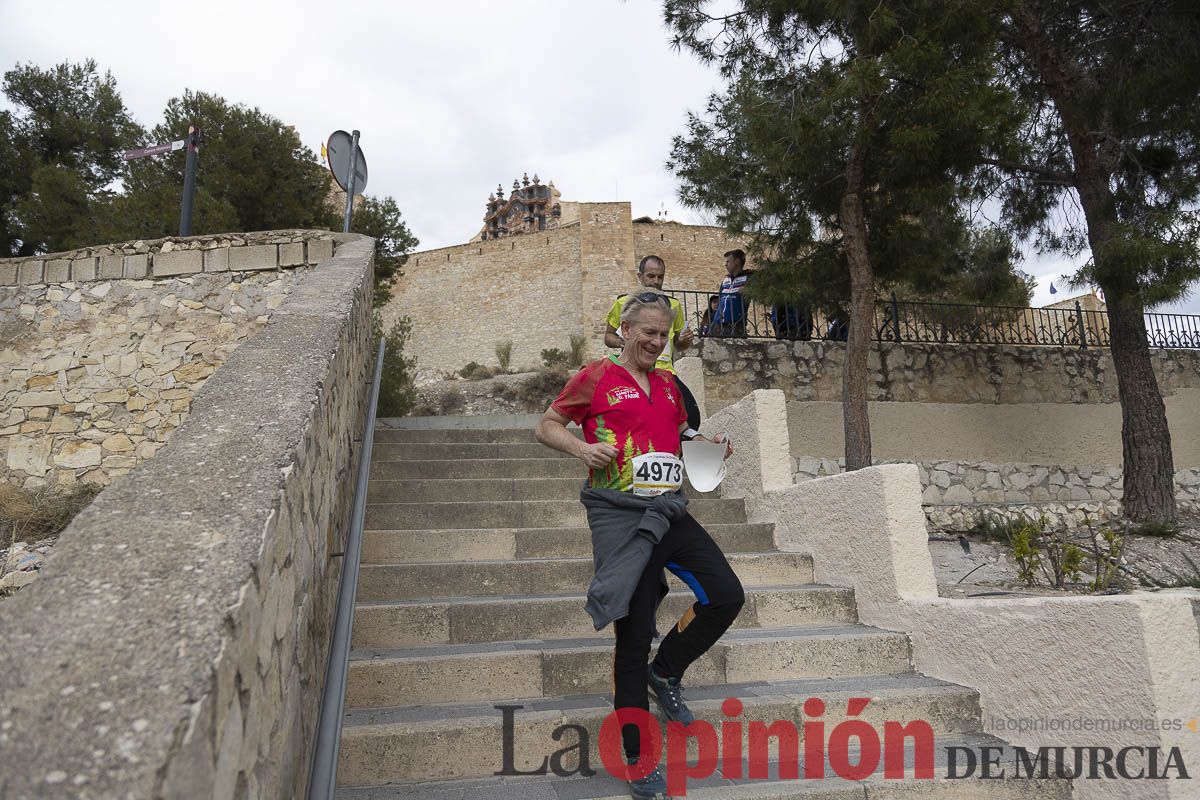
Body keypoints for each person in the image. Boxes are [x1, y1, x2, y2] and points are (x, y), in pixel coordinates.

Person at [535, 292, 742, 799]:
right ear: (624, 330)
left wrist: (707, 449)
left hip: (669, 509)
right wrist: (583, 447)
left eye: (662, 333)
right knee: (632, 636)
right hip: (620, 518)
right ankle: (637, 755)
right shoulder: (593, 378)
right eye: (647, 332)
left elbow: (677, 434)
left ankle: (666, 671)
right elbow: (546, 425)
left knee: (726, 595)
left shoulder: (671, 384)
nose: (655, 341)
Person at [604, 255, 701, 430]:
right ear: (639, 276)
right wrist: (626, 342)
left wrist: (684, 341)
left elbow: (678, 345)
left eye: (660, 277)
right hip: (632, 368)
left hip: (665, 371)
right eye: (650, 276)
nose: (655, 281)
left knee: (692, 418)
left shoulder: (674, 305)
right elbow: (608, 337)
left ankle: (675, 455)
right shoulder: (623, 303)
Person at [712, 249, 753, 337]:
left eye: (728, 261)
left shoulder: (749, 278)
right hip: (717, 323)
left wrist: (749, 289)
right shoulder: (725, 280)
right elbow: (719, 298)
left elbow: (762, 292)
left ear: (737, 261)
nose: (725, 264)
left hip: (736, 323)